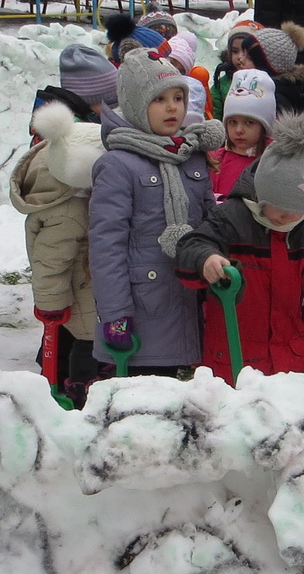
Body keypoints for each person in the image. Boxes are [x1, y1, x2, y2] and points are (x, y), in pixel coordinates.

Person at [176, 113, 304, 381]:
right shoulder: (232, 218)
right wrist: (206, 259)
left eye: (297, 210)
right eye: (279, 208)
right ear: (262, 193)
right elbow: (191, 247)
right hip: (232, 358)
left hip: (293, 360)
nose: (287, 218)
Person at [88, 49, 223, 376]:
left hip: (189, 301)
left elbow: (211, 223)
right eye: (159, 99)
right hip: (143, 310)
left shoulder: (191, 156)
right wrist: (115, 314)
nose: (172, 107)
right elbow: (107, 246)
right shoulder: (118, 165)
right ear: (137, 105)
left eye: (178, 97)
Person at [13, 100, 103, 407]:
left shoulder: (68, 199)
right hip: (76, 293)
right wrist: (50, 305)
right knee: (88, 341)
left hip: (80, 288)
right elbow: (50, 262)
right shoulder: (68, 211)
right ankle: (79, 388)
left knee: (81, 339)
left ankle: (71, 378)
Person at [211, 69, 275, 199]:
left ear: (264, 126)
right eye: (232, 122)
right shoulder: (214, 159)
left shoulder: (273, 163)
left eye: (249, 122)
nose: (239, 130)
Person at [43, 44, 118, 122]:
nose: (117, 108)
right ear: (84, 100)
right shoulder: (69, 127)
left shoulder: (93, 118)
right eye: (109, 102)